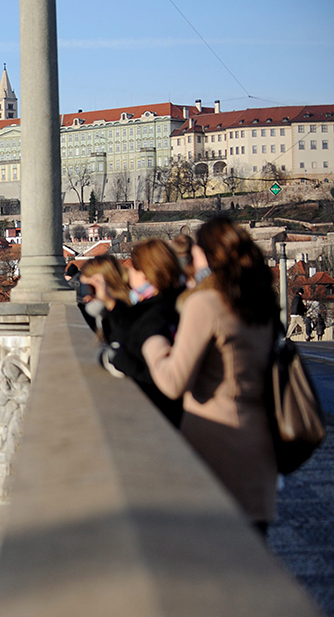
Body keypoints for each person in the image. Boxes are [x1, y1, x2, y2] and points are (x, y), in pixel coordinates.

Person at [142, 217, 279, 533]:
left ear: (206, 256)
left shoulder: (206, 303)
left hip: (217, 447)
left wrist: (152, 343)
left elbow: (174, 382)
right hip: (259, 447)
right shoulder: (260, 302)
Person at [101, 239, 184, 427]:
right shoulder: (181, 299)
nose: (129, 276)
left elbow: (155, 373)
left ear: (145, 273)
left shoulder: (154, 314)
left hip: (164, 412)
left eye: (133, 269)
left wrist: (119, 358)